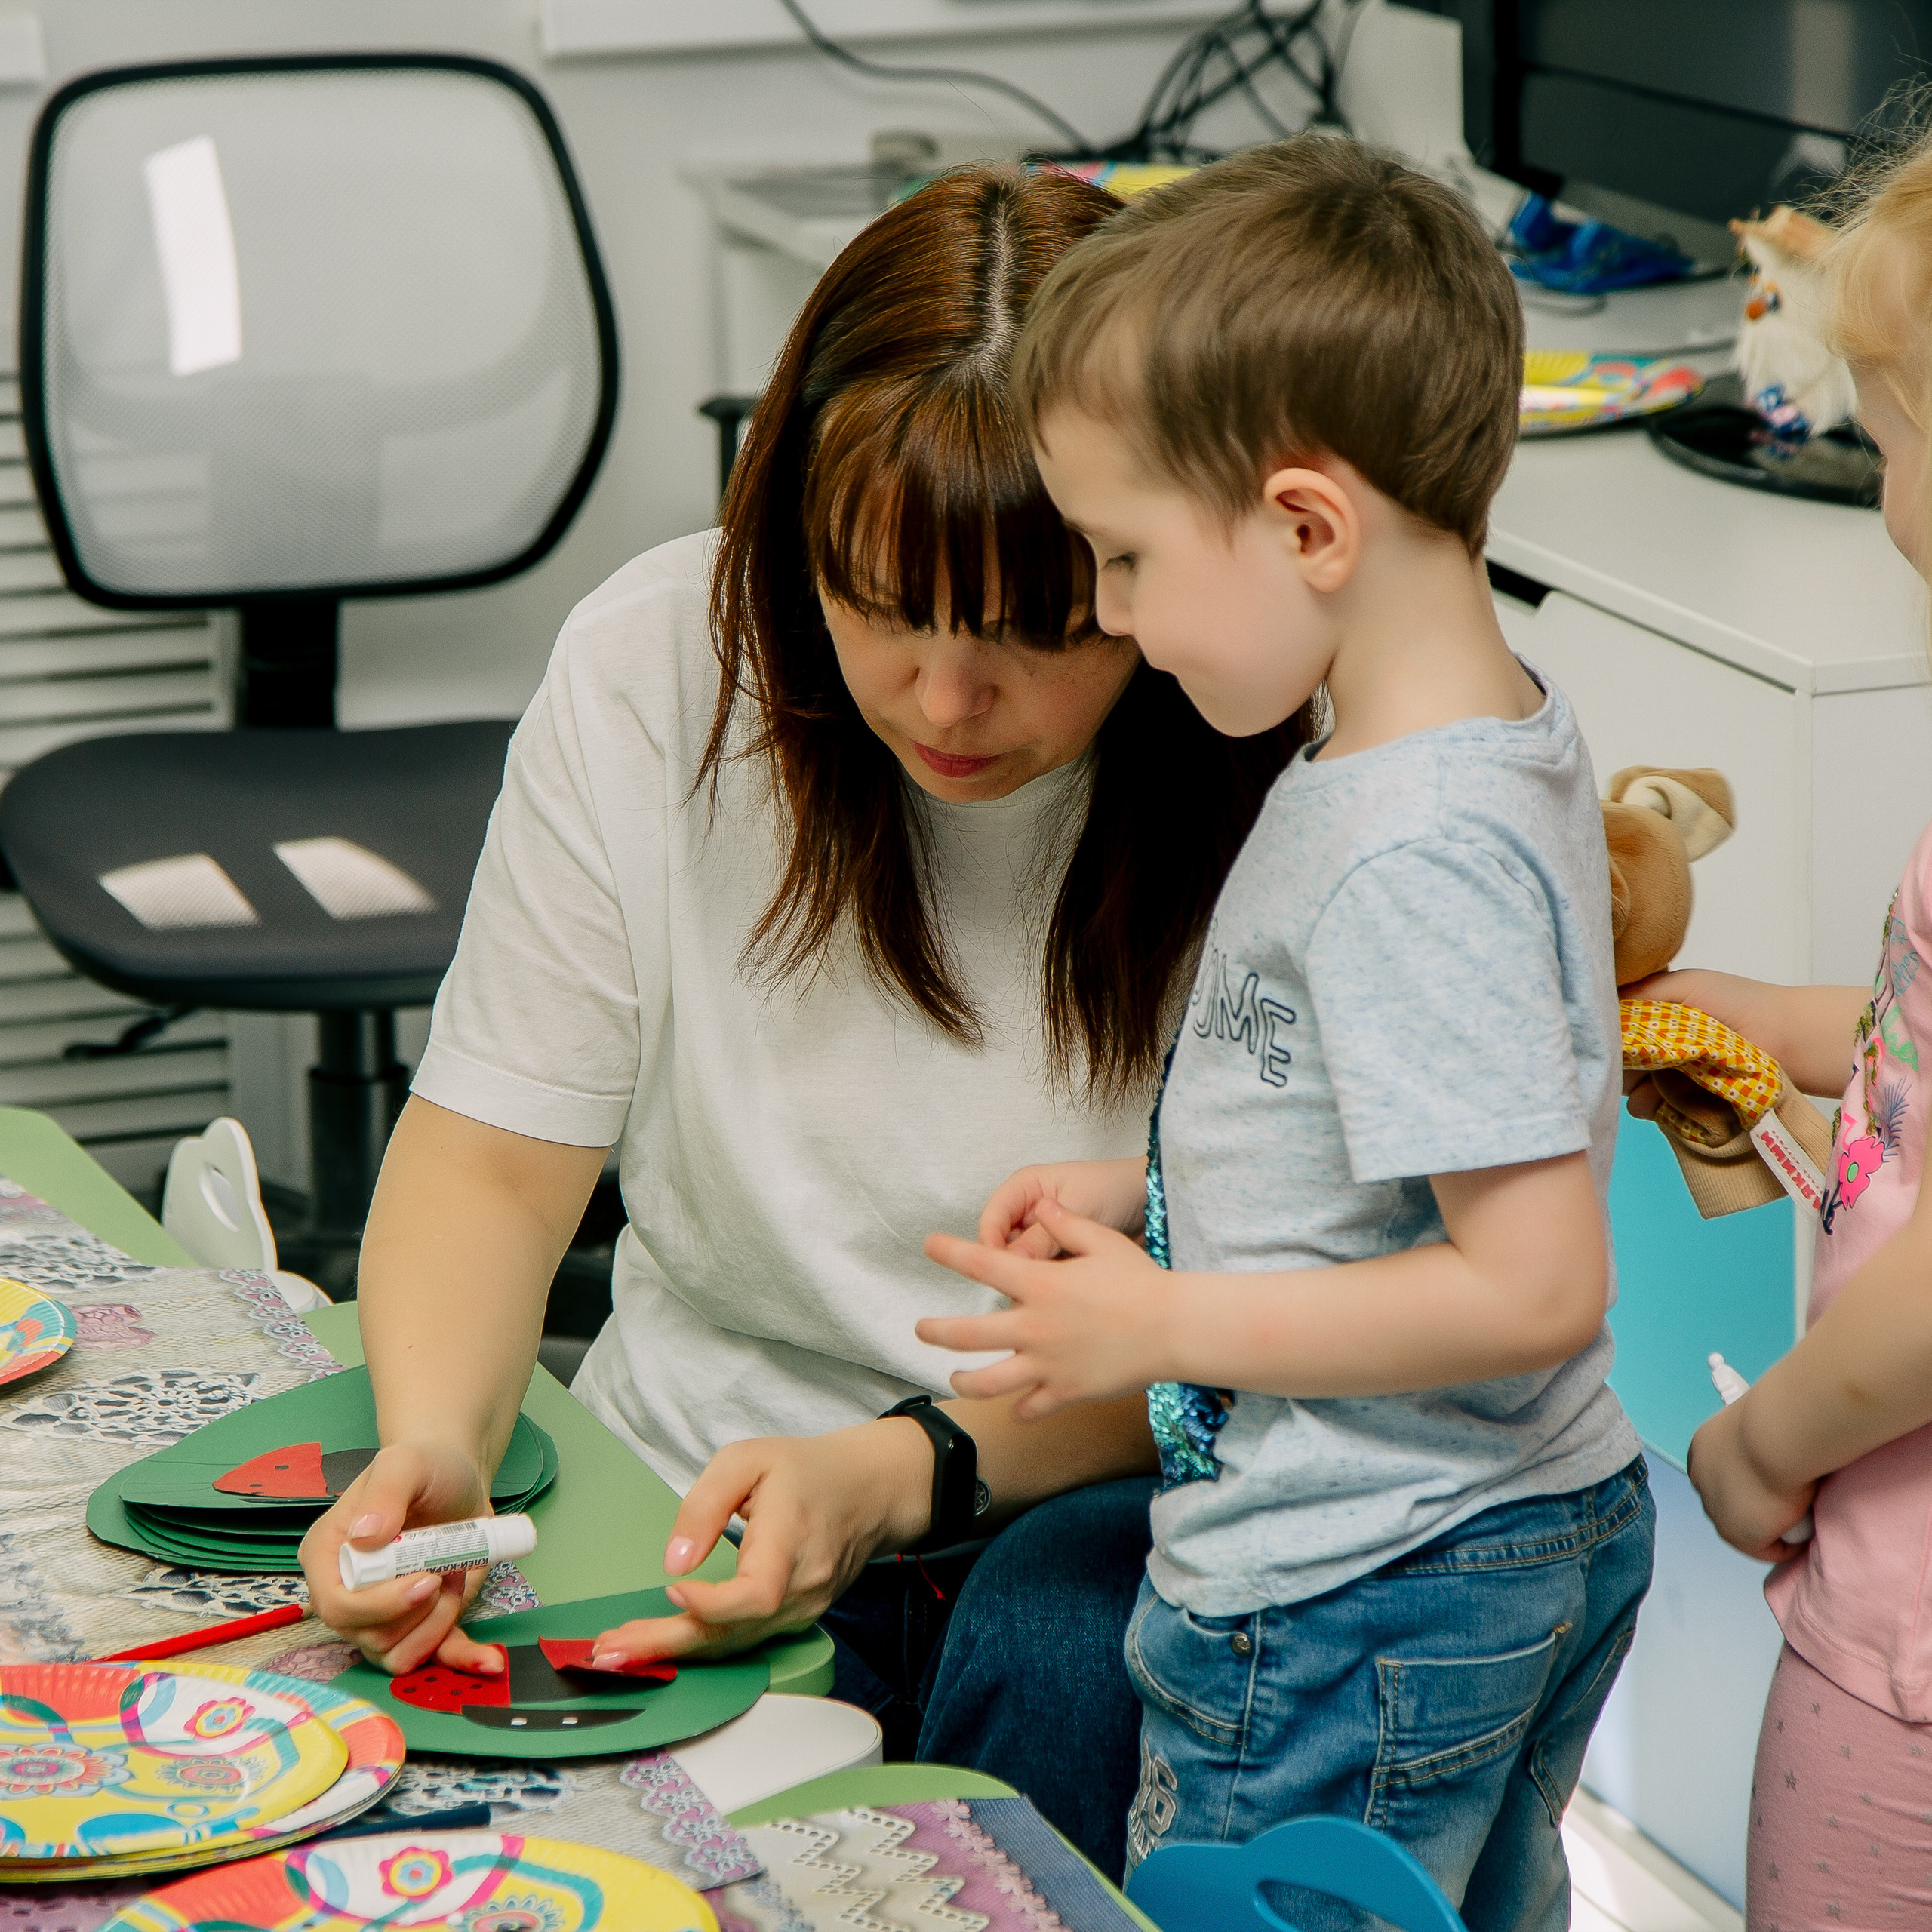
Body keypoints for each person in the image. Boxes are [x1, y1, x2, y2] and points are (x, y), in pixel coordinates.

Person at [296, 164, 1311, 1876]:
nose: (943, 696)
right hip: (701, 1489)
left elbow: (1309, 1304)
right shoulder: (656, 667)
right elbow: (489, 1160)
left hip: (1126, 1506)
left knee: (1054, 1680)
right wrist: (438, 1442)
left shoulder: (1284, 731)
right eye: (879, 605)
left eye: (1033, 631)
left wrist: (900, 1467)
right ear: (787, 534)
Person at [920, 138, 1654, 1927]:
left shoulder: (1412, 848)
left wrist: (1158, 1318)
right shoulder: (1456, 740)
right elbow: (1411, 1104)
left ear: (1307, 526)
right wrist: (1156, 1184)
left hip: (1362, 1584)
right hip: (1470, 1543)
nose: (1102, 612)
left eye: (1122, 555)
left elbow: (1534, 1276)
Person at [1638, 134, 1932, 1932]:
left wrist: (1763, 1454)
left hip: (1901, 1627)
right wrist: (1764, 1021)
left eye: (1894, 438)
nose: (1885, 492)